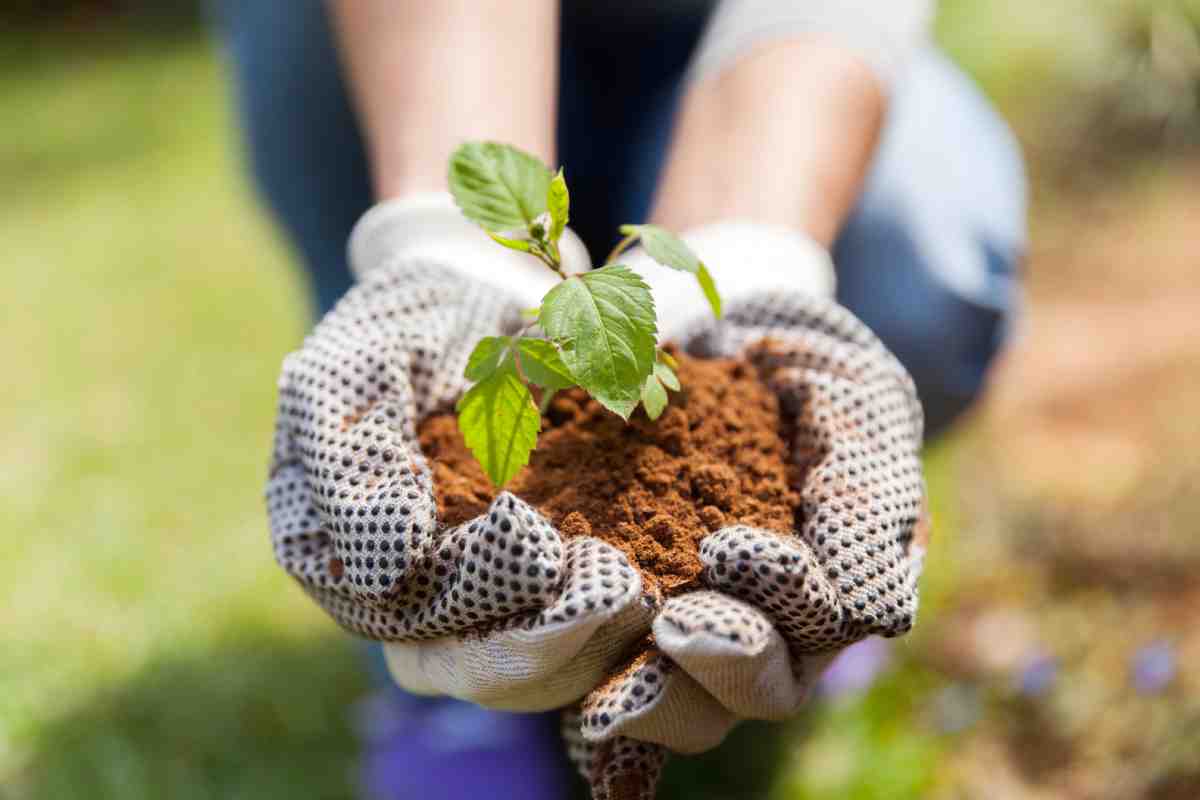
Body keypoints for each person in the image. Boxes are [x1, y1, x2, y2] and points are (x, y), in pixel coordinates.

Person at [213, 1, 1026, 798]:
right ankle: (451, 689)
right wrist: (452, 247)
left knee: (918, 251)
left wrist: (745, 256)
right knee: (416, 351)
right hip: (387, 41)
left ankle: (791, 618)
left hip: (714, 42)